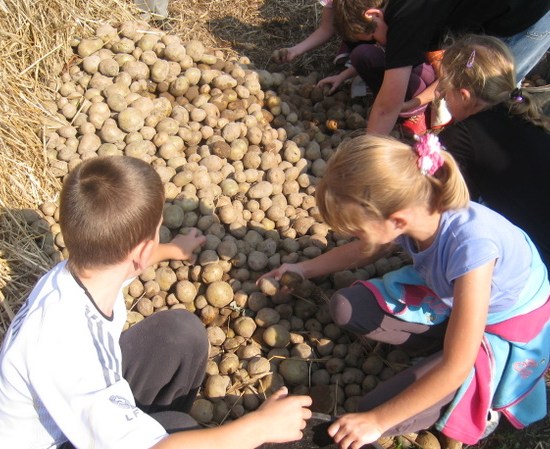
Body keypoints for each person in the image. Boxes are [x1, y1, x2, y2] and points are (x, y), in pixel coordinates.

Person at [0, 156, 312, 449]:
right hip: (57, 441)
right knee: (180, 430)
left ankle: (146, 425)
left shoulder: (83, 271)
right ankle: (152, 432)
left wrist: (171, 250)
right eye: (157, 233)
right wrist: (259, 427)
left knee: (180, 333)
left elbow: (127, 261)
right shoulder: (66, 348)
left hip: (72, 405)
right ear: (140, 252)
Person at [260, 133, 550, 448]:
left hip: (505, 323)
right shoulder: (414, 208)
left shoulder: (472, 249)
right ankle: (441, 344)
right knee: (346, 308)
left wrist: (377, 421)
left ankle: (484, 394)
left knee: (370, 410)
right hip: (451, 298)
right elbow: (366, 250)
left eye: (359, 230)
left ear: (396, 221)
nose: (357, 237)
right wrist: (304, 269)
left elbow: (457, 367)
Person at [330, 0, 550, 135]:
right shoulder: (411, 12)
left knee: (491, 100)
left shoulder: (405, 18)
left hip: (530, 17)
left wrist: (368, 156)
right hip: (502, 13)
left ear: (373, 14)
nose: (377, 43)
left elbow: (387, 107)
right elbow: (446, 70)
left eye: (372, 36)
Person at [437, 35, 550, 270]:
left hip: (536, 265)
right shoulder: (528, 117)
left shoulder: (460, 137)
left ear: (463, 95)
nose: (441, 94)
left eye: (445, 90)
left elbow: (450, 208)